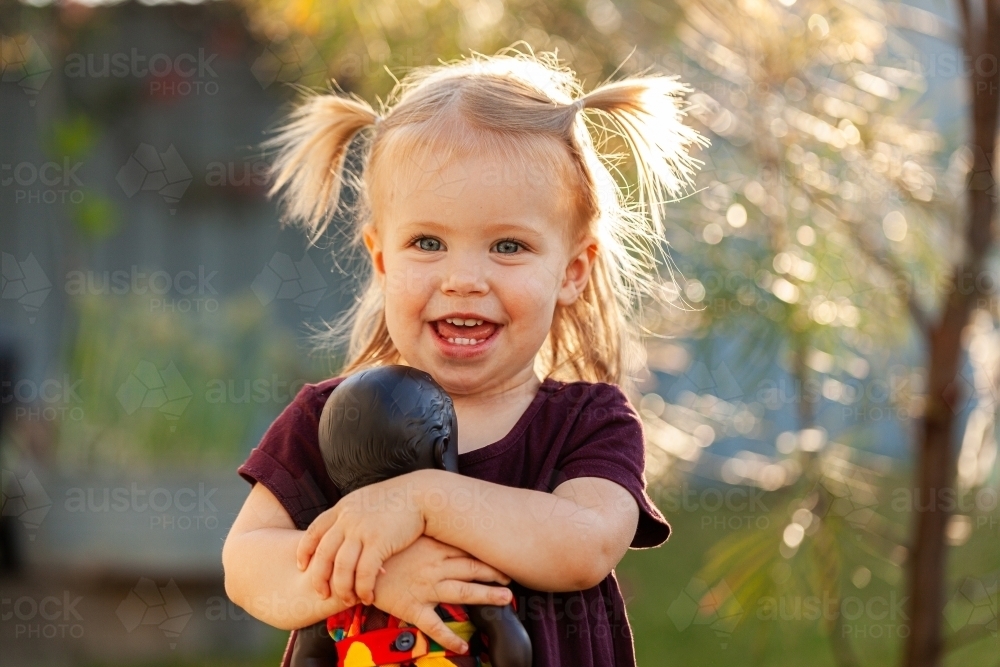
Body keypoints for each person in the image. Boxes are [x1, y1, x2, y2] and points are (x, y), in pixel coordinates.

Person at [222, 45, 707, 667]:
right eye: (428, 242)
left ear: (573, 270)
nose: (463, 279)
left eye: (507, 246)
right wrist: (370, 578)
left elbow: (583, 547)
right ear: (381, 259)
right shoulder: (335, 418)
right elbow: (248, 563)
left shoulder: (589, 423)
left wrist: (421, 501)